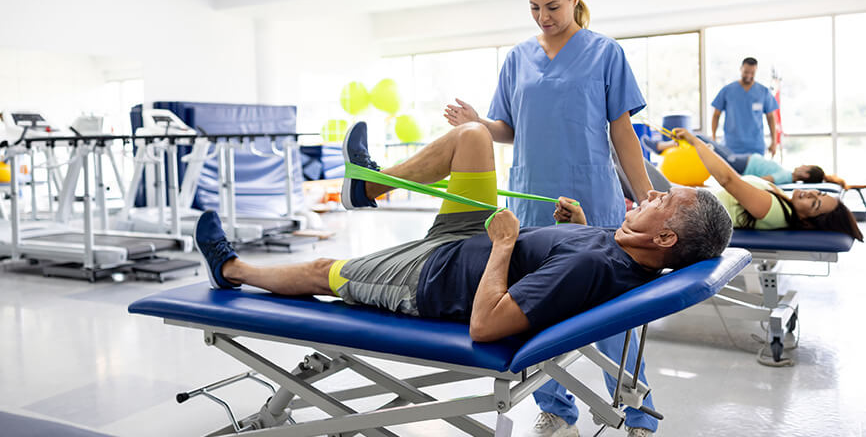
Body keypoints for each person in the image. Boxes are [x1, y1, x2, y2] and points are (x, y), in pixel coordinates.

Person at [195, 121, 732, 394]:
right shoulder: (615, 245)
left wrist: (503, 245)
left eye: (667, 202)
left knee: (322, 272)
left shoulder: (595, 266)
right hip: (466, 239)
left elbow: (486, 325)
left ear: (664, 242)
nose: (655, 194)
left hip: (433, 278)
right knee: (473, 135)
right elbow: (565, 258)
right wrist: (577, 229)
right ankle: (368, 188)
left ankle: (231, 270)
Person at [443, 0, 657, 436]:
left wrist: (644, 196)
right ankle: (557, 410)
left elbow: (621, 132)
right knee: (530, 307)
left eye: (553, 6)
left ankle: (638, 414)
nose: (543, 16)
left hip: (592, 197)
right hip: (531, 198)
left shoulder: (605, 52)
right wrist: (476, 122)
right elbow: (507, 129)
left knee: (612, 314)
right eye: (535, 7)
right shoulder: (518, 57)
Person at [673, 128, 862, 241]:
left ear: (806, 221)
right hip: (688, 198)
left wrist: (695, 141)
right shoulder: (784, 201)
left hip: (682, 210)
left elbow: (728, 180)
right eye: (819, 194)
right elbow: (736, 183)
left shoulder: (775, 211)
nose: (811, 195)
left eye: (815, 204)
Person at [643, 133, 825, 185]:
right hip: (741, 160)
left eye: (805, 167)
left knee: (702, 141)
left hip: (740, 165)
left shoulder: (786, 177)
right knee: (703, 142)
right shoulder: (787, 174)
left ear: (806, 175)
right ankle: (661, 147)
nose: (801, 165)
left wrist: (736, 182)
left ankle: (660, 147)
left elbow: (762, 181)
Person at [710, 57, 779, 156]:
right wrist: (713, 137)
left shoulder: (763, 92)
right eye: (746, 72)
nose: (749, 75)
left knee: (756, 171)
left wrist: (774, 141)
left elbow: (771, 117)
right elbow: (716, 114)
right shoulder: (728, 90)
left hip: (756, 146)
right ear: (741, 69)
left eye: (752, 73)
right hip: (731, 146)